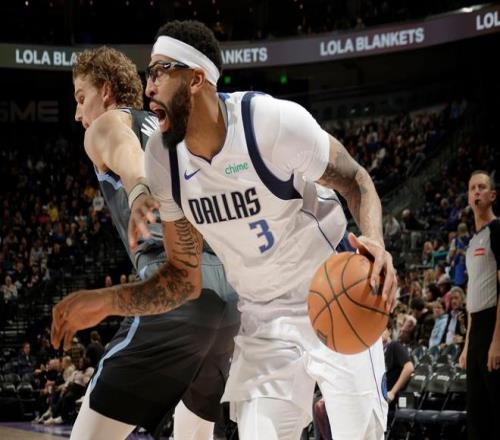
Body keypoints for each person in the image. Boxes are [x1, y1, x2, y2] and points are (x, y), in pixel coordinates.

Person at [52, 21, 397, 440]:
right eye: (148, 74)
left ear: (196, 79)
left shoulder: (269, 122)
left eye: (159, 72)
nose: (149, 87)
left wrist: (375, 242)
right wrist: (107, 302)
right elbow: (182, 279)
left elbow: (356, 179)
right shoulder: (163, 158)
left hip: (330, 287)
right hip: (261, 318)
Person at [60, 46, 240, 440]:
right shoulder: (172, 129)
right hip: (228, 297)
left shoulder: (107, 123)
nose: (78, 113)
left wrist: (139, 188)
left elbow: (122, 147)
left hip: (175, 288)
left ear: (106, 91)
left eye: (81, 98)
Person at [459, 170, 500, 440]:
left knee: (495, 407)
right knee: (476, 411)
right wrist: (466, 344)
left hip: (493, 325)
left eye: (482, 187)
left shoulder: (498, 230)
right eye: (472, 187)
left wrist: (497, 340)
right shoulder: (472, 241)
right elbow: (473, 293)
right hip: (475, 331)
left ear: (492, 195)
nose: (476, 191)